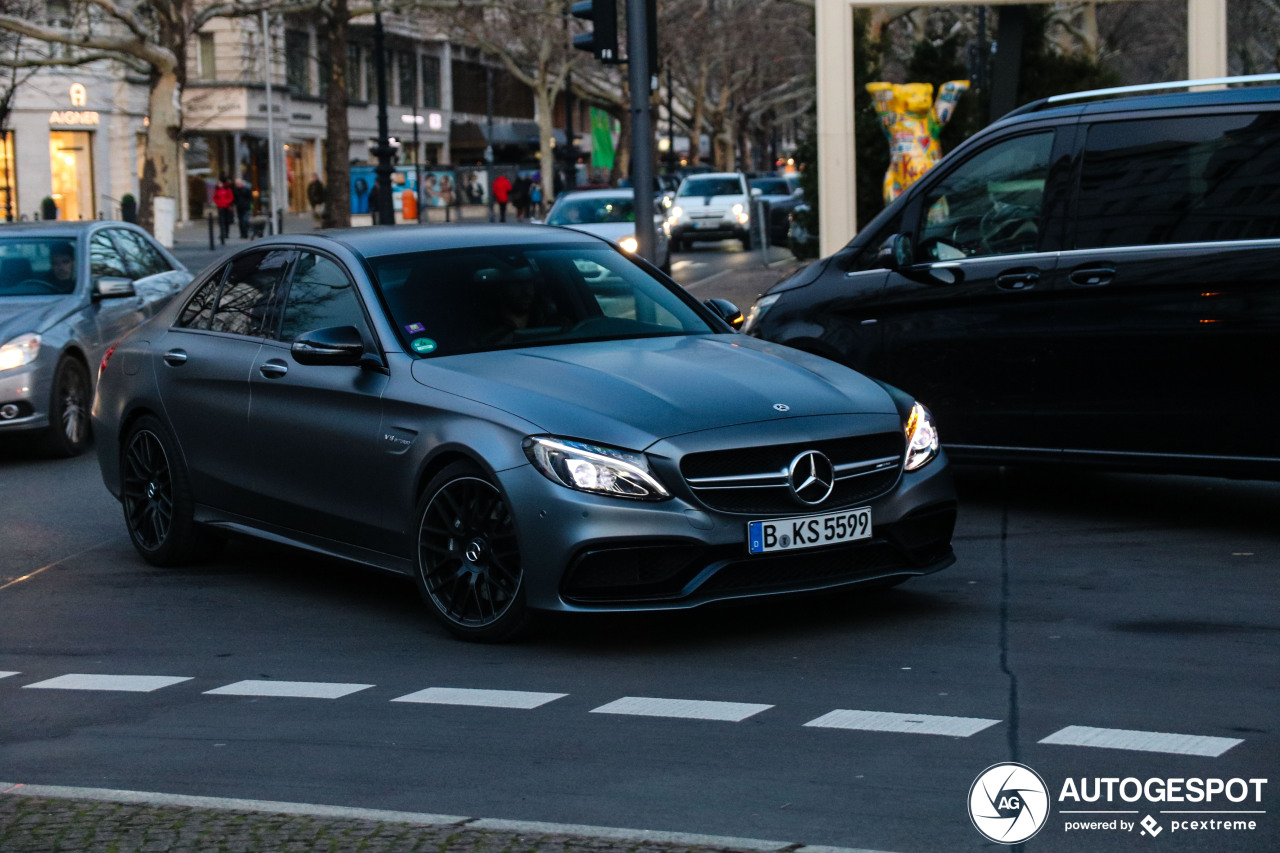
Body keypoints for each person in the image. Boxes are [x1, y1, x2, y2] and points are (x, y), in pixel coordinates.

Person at [213, 175, 234, 242]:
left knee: (226, 221)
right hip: (220, 207)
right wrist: (218, 203)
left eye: (219, 182)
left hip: (226, 207)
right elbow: (215, 197)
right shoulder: (217, 190)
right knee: (221, 221)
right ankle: (222, 233)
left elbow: (231, 197)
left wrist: (226, 203)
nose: (219, 184)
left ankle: (226, 233)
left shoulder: (227, 189)